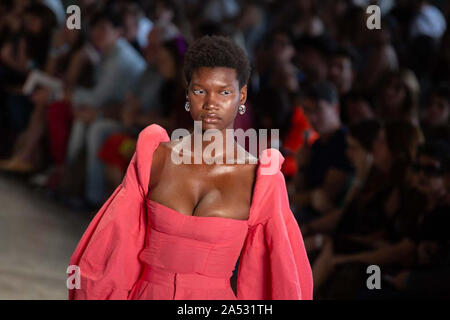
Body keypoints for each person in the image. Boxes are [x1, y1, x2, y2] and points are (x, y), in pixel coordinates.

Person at [68, 35, 313, 300]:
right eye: (200, 90)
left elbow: (278, 277)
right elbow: (116, 244)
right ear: (187, 93)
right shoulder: (156, 157)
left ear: (241, 96)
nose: (210, 103)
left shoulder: (260, 179)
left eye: (224, 92)